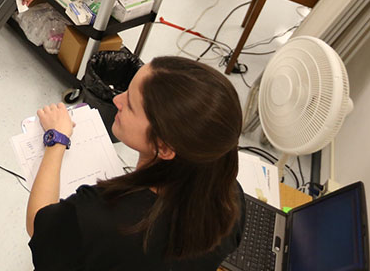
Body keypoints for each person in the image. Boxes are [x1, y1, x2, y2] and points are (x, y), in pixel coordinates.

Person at [26, 57, 245, 270]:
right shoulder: (230, 199)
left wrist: (57, 140)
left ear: (165, 148)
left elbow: (38, 226)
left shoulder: (99, 217)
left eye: (130, 104)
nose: (116, 100)